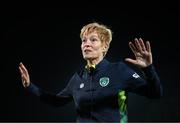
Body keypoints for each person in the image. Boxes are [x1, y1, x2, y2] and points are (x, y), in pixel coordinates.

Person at [19, 22, 163, 123]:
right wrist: (30, 86)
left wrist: (148, 69)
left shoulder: (119, 70)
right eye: (84, 40)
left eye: (93, 40)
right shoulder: (78, 77)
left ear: (104, 47)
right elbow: (57, 102)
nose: (86, 44)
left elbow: (155, 93)